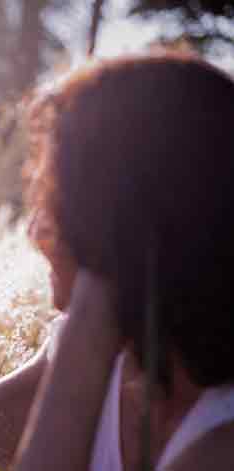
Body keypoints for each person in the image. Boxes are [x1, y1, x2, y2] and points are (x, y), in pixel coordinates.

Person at [14, 52, 234, 470]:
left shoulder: (223, 445)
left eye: (58, 202)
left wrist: (91, 317)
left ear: (121, 220)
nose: (37, 234)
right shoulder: (133, 368)